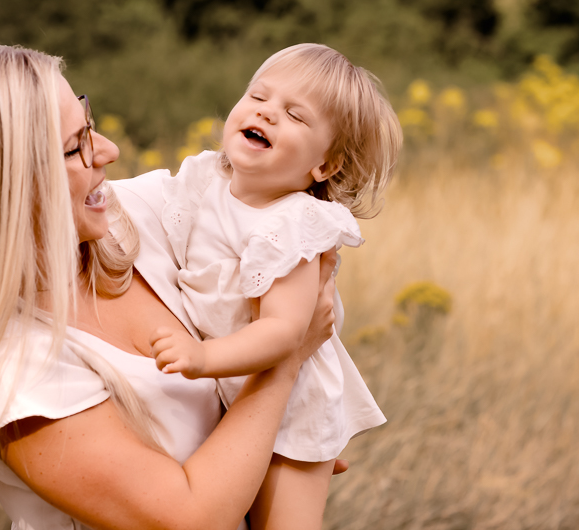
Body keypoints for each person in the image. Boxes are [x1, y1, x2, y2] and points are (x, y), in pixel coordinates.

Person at [0, 45, 342, 530]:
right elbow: (189, 519)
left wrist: (293, 442)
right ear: (8, 184)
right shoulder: (6, 370)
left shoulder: (133, 217)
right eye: (76, 146)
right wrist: (284, 368)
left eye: (90, 124)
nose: (109, 151)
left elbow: (273, 242)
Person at [150, 43, 402, 529]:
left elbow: (287, 332)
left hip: (292, 406)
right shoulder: (205, 180)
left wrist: (203, 359)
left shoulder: (294, 224)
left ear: (325, 167)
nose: (266, 112)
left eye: (294, 115)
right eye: (257, 96)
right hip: (231, 398)